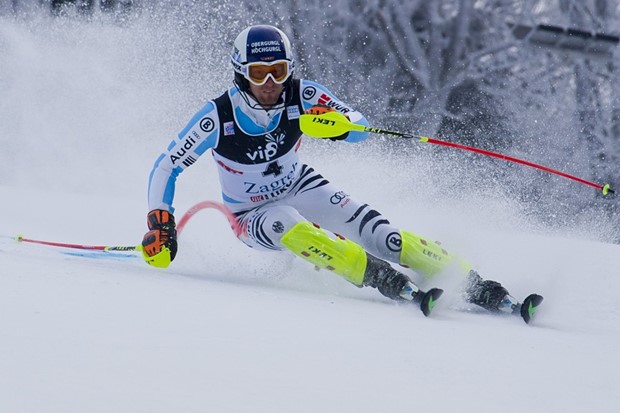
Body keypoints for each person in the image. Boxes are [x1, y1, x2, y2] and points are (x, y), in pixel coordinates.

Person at [141, 24, 526, 317]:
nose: (271, 84)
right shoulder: (217, 117)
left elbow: (358, 124)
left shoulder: (303, 94)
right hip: (251, 213)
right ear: (242, 73)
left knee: (384, 236)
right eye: (260, 74)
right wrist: (160, 222)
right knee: (291, 225)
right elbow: (166, 166)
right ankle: (380, 277)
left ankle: (476, 284)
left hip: (301, 185)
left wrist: (342, 125)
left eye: (279, 71)